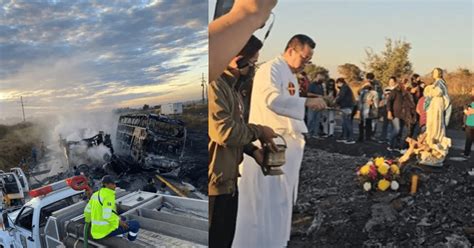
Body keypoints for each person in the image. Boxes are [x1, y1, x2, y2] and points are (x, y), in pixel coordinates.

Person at [233, 34, 326, 248]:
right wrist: (305, 104)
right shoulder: (271, 69)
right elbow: (272, 100)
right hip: (272, 144)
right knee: (266, 203)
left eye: (309, 60)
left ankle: (277, 241)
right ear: (291, 50)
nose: (305, 63)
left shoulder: (291, 73)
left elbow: (288, 100)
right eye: (304, 58)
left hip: (287, 146)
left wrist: (306, 100)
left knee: (280, 202)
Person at [208, 36, 278, 248]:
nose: (254, 68)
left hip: (228, 182)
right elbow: (224, 132)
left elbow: (234, 127)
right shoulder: (215, 86)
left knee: (225, 239)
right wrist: (260, 131)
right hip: (214, 186)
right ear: (237, 60)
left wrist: (252, 150)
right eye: (253, 62)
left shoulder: (232, 88)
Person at [209, 0, 277, 82]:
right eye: (252, 63)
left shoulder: (235, 84)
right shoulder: (218, 85)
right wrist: (249, 13)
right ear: (240, 62)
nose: (253, 68)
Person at [84, 175, 140, 241]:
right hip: (105, 231)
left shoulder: (95, 194)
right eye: (112, 184)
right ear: (106, 184)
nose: (115, 186)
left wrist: (88, 222)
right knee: (135, 224)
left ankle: (119, 235)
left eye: (115, 183)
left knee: (123, 218)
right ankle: (130, 241)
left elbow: (87, 211)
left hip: (96, 230)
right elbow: (107, 216)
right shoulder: (108, 196)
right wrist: (119, 223)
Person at [387, 78, 416, 152]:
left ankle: (397, 146)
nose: (408, 85)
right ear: (402, 84)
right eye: (406, 84)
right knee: (397, 129)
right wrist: (389, 111)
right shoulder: (395, 91)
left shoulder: (407, 93)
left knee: (402, 131)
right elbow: (389, 101)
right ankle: (390, 144)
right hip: (395, 113)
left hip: (404, 114)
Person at [335, 78, 355, 144]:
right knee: (344, 123)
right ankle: (344, 136)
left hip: (347, 107)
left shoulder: (344, 88)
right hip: (346, 106)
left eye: (337, 83)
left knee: (347, 122)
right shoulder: (346, 88)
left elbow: (341, 96)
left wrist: (335, 102)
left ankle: (351, 138)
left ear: (340, 82)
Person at [307, 72, 326, 138]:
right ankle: (309, 133)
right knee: (311, 119)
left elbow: (323, 95)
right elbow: (308, 94)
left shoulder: (321, 85)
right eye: (320, 77)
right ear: (316, 77)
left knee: (317, 119)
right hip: (312, 104)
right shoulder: (312, 85)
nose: (321, 79)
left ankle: (315, 133)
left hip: (319, 104)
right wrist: (317, 95)